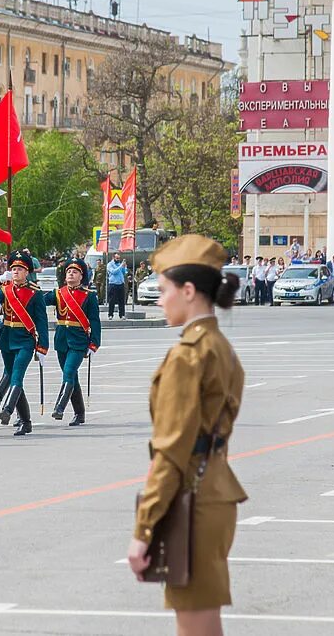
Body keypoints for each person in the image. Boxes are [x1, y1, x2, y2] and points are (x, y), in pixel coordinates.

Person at [127, 235, 247, 636]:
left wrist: (144, 530)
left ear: (189, 291)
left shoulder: (188, 355)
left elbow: (171, 452)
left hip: (191, 499)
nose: (160, 300)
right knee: (202, 622)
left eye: (164, 290)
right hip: (215, 492)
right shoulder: (220, 347)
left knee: (194, 625)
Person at [0, 250, 49, 436]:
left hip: (25, 339)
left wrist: (43, 346)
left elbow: (42, 321)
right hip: (7, 337)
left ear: (27, 272)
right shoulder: (6, 289)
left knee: (17, 375)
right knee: (13, 377)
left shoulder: (35, 293)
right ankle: (26, 422)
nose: (16, 272)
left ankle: (8, 409)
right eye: (13, 269)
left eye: (20, 269)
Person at [42, 258, 101, 425]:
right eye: (68, 272)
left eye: (74, 272)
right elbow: (40, 301)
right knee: (71, 376)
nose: (70, 274)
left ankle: (59, 407)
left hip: (78, 341)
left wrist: (94, 343)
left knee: (69, 371)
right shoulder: (58, 293)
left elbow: (95, 321)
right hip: (61, 340)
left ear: (81, 277)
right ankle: (79, 413)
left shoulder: (89, 296)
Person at [106, 253, 128, 320]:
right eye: (117, 258)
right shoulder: (110, 264)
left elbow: (124, 272)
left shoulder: (120, 264)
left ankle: (122, 315)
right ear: (113, 258)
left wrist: (124, 267)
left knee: (121, 301)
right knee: (112, 300)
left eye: (119, 258)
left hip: (120, 284)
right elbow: (113, 272)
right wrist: (121, 266)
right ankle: (110, 314)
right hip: (113, 284)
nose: (118, 260)